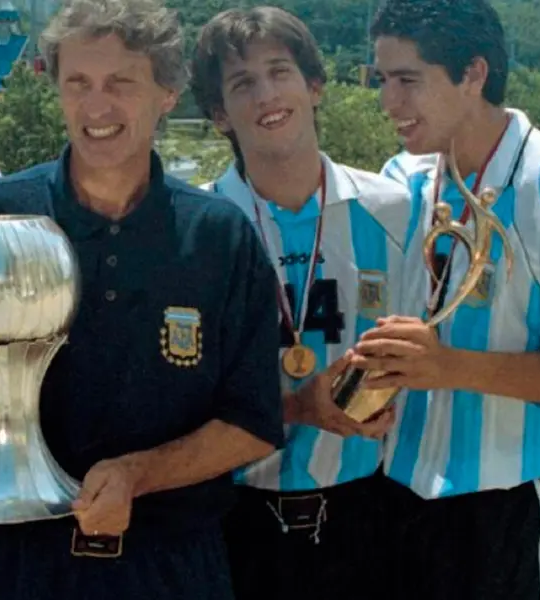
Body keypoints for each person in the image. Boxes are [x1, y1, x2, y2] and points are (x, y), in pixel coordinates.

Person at [0, 0, 283, 598]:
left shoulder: (218, 236)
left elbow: (254, 420)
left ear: (167, 92)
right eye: (77, 82)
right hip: (7, 566)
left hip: (166, 566)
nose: (97, 106)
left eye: (121, 83)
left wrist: (138, 476)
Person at [363, 1, 540, 598]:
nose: (389, 102)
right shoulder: (399, 181)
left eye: (408, 80)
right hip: (398, 499)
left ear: (473, 74)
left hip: (511, 508)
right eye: (381, 79)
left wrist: (448, 368)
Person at [189, 7, 419, 599]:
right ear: (218, 114)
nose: (267, 94)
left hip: (368, 508)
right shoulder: (194, 230)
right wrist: (296, 406)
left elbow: (443, 339)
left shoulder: (394, 211)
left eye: (279, 71)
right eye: (242, 84)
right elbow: (180, 392)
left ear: (314, 86)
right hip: (231, 514)